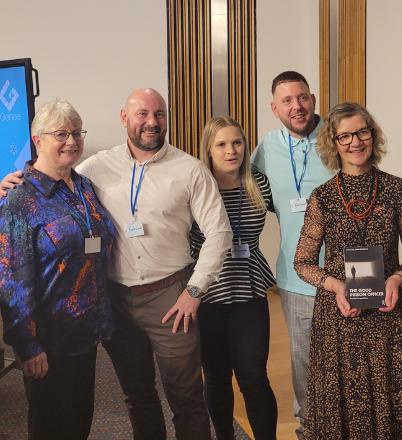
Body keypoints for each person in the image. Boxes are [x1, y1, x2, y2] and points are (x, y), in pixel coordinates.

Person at [1, 88, 233, 439]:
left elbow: (219, 232)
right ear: (125, 118)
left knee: (185, 397)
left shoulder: (184, 170)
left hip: (164, 299)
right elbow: (13, 276)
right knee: (136, 396)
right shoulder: (94, 168)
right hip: (105, 306)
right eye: (142, 114)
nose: (151, 122)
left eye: (159, 114)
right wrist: (10, 184)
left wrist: (195, 290)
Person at [294, 102, 402, 439]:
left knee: (391, 400)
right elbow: (302, 262)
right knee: (347, 403)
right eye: (345, 136)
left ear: (373, 134)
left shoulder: (397, 189)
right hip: (340, 316)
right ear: (333, 143)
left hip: (389, 312)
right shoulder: (322, 197)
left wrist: (397, 279)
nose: (355, 142)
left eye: (362, 132)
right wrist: (336, 287)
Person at [0, 99, 115, 440]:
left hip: (87, 330)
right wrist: (27, 345)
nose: (72, 141)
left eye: (76, 133)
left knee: (79, 422)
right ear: (38, 140)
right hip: (48, 339)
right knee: (50, 428)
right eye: (61, 134)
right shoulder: (20, 199)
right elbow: (12, 282)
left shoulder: (84, 186)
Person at [250, 71, 335, 439]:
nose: (296, 107)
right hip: (296, 277)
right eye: (286, 101)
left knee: (351, 360)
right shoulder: (267, 148)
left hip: (348, 274)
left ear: (313, 100)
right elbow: (253, 193)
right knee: (305, 363)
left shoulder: (337, 136)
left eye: (302, 98)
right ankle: (310, 429)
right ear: (275, 109)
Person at [191, 117, 278, 439]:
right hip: (208, 292)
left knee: (254, 377)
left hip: (249, 289)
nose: (231, 151)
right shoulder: (197, 184)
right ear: (209, 149)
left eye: (237, 142)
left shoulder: (259, 182)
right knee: (216, 377)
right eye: (222, 144)